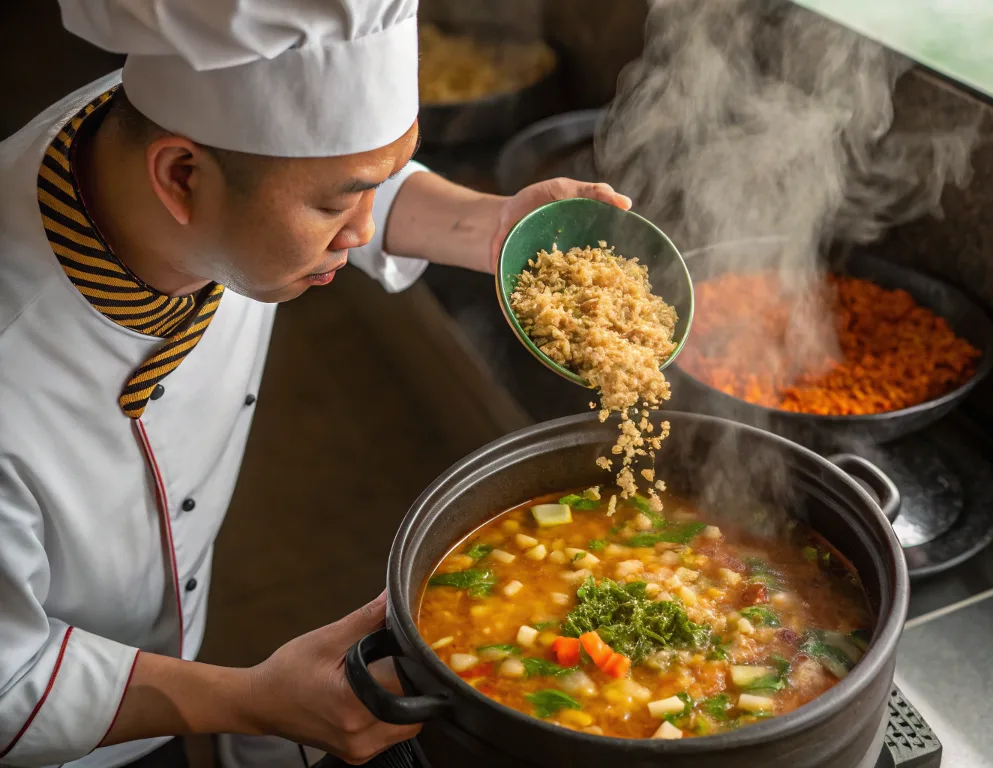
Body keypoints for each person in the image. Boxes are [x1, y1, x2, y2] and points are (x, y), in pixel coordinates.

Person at [0, 1, 632, 767]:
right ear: (181, 176)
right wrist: (252, 699)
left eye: (381, 176)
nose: (362, 228)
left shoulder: (179, 165)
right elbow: (14, 680)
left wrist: (497, 226)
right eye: (339, 204)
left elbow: (355, 175)